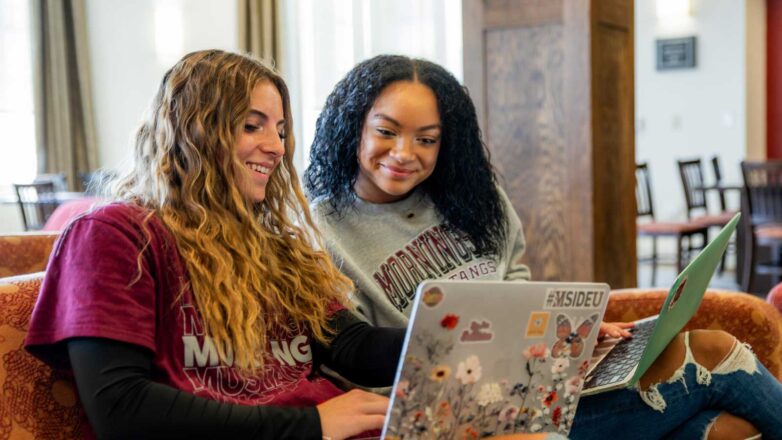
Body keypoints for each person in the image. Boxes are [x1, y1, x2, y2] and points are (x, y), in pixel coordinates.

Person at [304, 54, 782, 440]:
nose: (405, 153)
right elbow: (353, 357)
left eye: (426, 139)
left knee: (730, 428)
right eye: (386, 131)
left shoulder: (471, 200)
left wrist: (570, 332)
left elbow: (517, 290)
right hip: (455, 413)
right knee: (716, 351)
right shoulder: (321, 231)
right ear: (353, 126)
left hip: (541, 378)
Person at [24, 50, 402, 440]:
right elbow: (121, 407)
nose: (277, 147)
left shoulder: (272, 246)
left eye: (281, 130)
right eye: (252, 126)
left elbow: (351, 347)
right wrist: (313, 424)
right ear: (194, 130)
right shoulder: (114, 235)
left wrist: (444, 338)